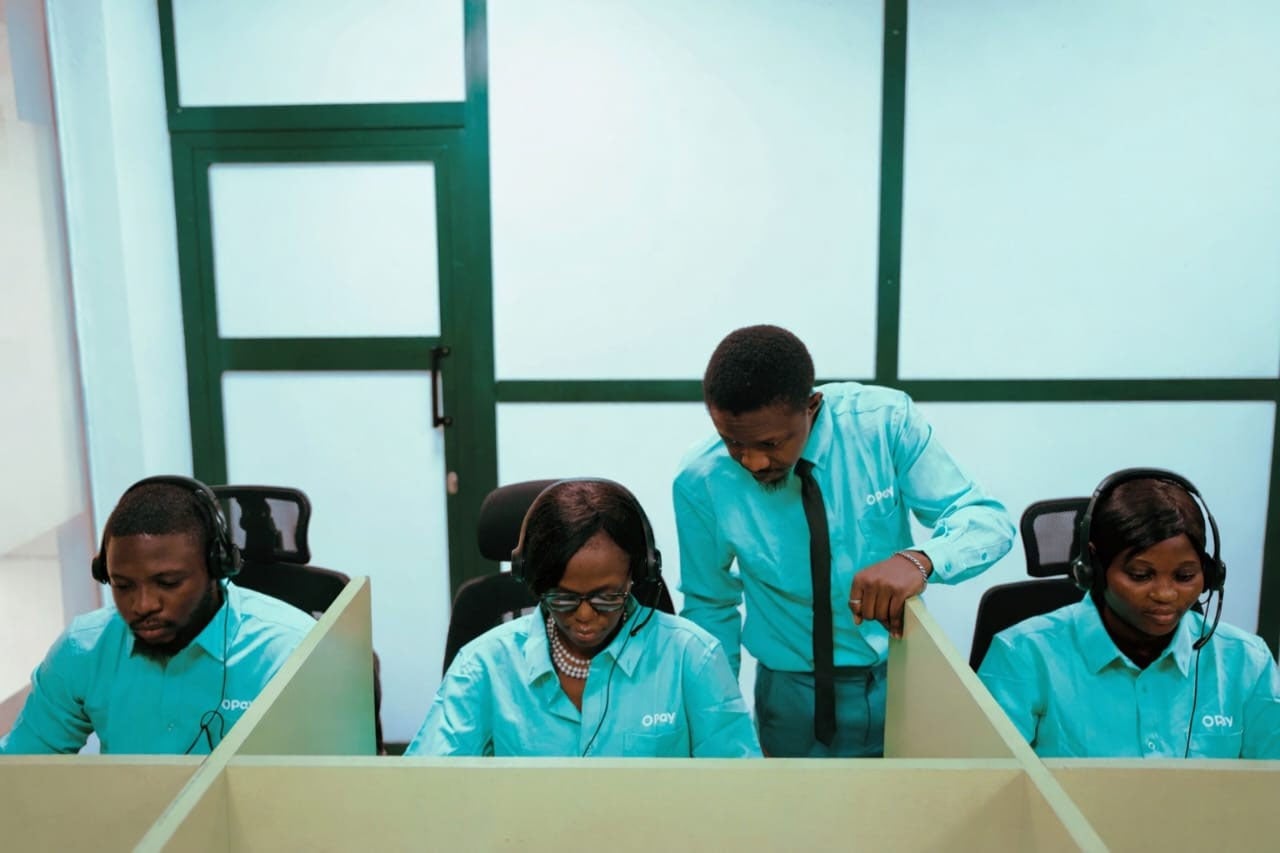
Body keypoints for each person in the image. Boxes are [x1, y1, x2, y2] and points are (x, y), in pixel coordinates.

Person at [675, 325, 1014, 757]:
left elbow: (987, 521)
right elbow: (710, 605)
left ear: (812, 406)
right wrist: (718, 724)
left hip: (900, 677)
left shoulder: (884, 424)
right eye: (732, 442)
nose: (753, 461)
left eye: (771, 443)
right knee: (795, 803)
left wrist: (921, 559)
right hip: (789, 696)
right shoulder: (700, 480)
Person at [406, 478, 761, 757]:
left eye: (607, 597)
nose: (585, 615)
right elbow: (428, 785)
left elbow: (737, 790)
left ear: (638, 574)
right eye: (563, 598)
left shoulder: (692, 658)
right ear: (535, 582)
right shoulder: (483, 665)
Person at [0, 476, 316, 755]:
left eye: (167, 583)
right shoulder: (83, 649)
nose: (143, 605)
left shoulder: (289, 652)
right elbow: (21, 769)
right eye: (123, 585)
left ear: (215, 568)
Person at [978, 469, 1280, 759]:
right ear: (1094, 569)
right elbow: (987, 783)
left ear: (1210, 574)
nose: (1165, 594)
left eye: (1185, 576)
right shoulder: (1022, 656)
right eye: (1140, 575)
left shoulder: (1247, 662)